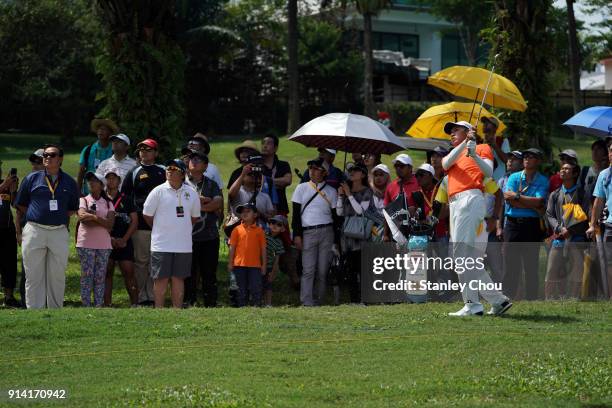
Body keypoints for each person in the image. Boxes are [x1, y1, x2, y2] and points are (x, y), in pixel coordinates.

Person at [440, 121, 511, 316]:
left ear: (467, 131)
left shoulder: (482, 147)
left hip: (469, 199)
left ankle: (474, 304)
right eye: (451, 132)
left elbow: (487, 171)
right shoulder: (455, 153)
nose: (452, 134)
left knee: (462, 256)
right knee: (466, 258)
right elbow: (445, 164)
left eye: (456, 130)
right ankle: (497, 301)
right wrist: (464, 145)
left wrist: (474, 153)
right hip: (455, 204)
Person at [15, 144, 79, 309]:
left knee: (57, 275)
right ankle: (35, 312)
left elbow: (72, 208)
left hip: (58, 232)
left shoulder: (69, 182)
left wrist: (53, 217)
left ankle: (55, 310)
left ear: (60, 159)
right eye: (45, 155)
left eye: (52, 155)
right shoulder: (31, 178)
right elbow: (21, 204)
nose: (47, 157)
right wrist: (37, 214)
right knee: (33, 275)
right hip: (34, 230)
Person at [142, 159, 201, 308]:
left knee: (178, 279)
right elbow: (147, 216)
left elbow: (194, 218)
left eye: (174, 169)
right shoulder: (157, 191)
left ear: (182, 174)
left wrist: (179, 228)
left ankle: (176, 311)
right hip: (161, 244)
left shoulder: (191, 193)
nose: (169, 171)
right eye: (168, 168)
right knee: (160, 279)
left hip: (183, 245)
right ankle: (159, 312)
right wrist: (162, 229)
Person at [121, 138, 166, 306]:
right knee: (141, 261)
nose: (144, 153)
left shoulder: (164, 170)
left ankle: (154, 296)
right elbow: (125, 197)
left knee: (157, 261)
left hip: (162, 225)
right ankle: (141, 297)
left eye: (148, 150)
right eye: (141, 150)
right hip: (140, 225)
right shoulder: (134, 172)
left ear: (156, 153)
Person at [502, 148, 549, 300]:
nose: (527, 159)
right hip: (512, 225)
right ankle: (506, 298)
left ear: (538, 161)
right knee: (510, 265)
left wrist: (517, 198)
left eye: (532, 157)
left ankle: (531, 299)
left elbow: (540, 201)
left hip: (531, 226)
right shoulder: (514, 177)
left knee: (531, 265)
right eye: (525, 156)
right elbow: (508, 198)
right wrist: (531, 204)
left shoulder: (542, 180)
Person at [292, 158, 338, 306]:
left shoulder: (332, 191)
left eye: (316, 168)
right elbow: (296, 215)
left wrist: (336, 240)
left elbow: (336, 218)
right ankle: (306, 301)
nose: (312, 170)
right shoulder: (301, 188)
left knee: (323, 270)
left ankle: (320, 299)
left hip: (327, 231)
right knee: (308, 269)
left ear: (324, 172)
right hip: (308, 232)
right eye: (310, 167)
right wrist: (297, 235)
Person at [184, 151, 223, 307]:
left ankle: (210, 303)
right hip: (186, 237)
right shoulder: (182, 184)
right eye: (191, 159)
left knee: (209, 272)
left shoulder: (211, 184)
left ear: (205, 166)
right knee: (189, 272)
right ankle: (189, 301)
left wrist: (194, 205)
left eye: (198, 159)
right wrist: (204, 202)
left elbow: (218, 204)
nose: (193, 161)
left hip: (209, 235)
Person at [545, 163, 589, 299]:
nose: (563, 170)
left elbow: (587, 215)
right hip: (559, 238)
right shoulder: (555, 194)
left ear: (575, 174)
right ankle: (549, 297)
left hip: (577, 238)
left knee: (577, 267)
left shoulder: (582, 194)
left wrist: (572, 230)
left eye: (567, 169)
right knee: (552, 267)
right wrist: (560, 228)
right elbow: (549, 214)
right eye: (562, 168)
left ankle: (574, 297)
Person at [76, 172, 115, 307]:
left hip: (104, 244)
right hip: (86, 243)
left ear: (101, 184)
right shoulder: (84, 200)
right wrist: (101, 220)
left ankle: (98, 305)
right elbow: (82, 218)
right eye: (89, 181)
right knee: (87, 275)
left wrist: (93, 217)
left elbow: (110, 224)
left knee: (100, 276)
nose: (91, 183)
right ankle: (86, 304)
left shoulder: (109, 202)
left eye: (94, 181)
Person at [336, 162, 373, 303]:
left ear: (363, 174)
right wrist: (340, 196)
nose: (351, 172)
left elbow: (360, 211)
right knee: (350, 269)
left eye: (356, 170)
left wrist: (349, 194)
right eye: (350, 170)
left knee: (362, 268)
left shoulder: (367, 192)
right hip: (348, 236)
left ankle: (365, 299)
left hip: (361, 235)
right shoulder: (346, 191)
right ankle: (353, 299)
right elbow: (339, 212)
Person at [104, 169, 139, 307]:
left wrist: (124, 239)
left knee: (129, 272)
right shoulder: (101, 199)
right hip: (106, 241)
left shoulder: (126, 199)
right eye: (108, 178)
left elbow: (134, 221)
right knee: (107, 272)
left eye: (114, 178)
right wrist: (109, 239)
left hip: (124, 242)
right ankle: (107, 304)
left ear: (119, 181)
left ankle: (135, 304)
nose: (111, 181)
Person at [16, 149, 45, 306]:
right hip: (29, 229)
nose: (35, 164)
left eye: (38, 161)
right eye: (33, 161)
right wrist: (18, 233)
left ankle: (45, 301)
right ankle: (25, 302)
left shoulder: (55, 180)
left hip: (49, 231)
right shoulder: (27, 180)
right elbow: (19, 210)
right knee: (28, 267)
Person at [586, 142, 612, 299]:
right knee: (609, 264)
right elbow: (598, 201)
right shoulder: (604, 175)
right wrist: (592, 224)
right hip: (610, 226)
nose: (611, 154)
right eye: (610, 151)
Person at [227, 203, 267, 307]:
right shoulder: (236, 230)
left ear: (255, 214)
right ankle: (241, 306)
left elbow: (263, 249)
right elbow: (232, 247)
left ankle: (256, 306)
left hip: (255, 266)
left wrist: (264, 265)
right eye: (242, 212)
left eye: (248, 211)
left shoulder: (260, 231)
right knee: (240, 288)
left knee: (255, 287)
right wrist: (230, 263)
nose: (244, 213)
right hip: (239, 265)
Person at [382, 153, 420, 242]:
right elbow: (387, 213)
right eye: (396, 166)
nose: (398, 168)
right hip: (397, 233)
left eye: (402, 166)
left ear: (410, 168)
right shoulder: (391, 186)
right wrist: (385, 234)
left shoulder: (419, 183)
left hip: (416, 232)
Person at [228, 155, 274, 222]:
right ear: (243, 178)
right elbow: (231, 194)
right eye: (250, 174)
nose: (254, 176)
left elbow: (271, 217)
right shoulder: (239, 192)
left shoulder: (265, 197)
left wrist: (259, 214)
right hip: (240, 230)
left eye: (258, 175)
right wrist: (243, 173)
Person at [78, 118, 118, 195]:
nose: (100, 131)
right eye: (99, 129)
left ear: (110, 133)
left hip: (108, 194)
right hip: (88, 193)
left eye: (104, 129)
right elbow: (81, 172)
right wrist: (78, 192)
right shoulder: (88, 150)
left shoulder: (114, 151)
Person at [0, 161, 19, 307]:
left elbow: (14, 204)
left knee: (10, 264)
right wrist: (3, 186)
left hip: (7, 228)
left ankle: (9, 296)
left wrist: (12, 190)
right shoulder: (3, 185)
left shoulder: (5, 184)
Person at [263, 215, 286, 306]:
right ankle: (258, 302)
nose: (274, 225)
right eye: (272, 223)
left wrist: (274, 271)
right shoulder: (262, 234)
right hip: (257, 265)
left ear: (283, 229)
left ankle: (268, 303)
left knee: (268, 286)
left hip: (269, 267)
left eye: (279, 224)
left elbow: (277, 259)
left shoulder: (279, 242)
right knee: (257, 284)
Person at [481, 117, 510, 182]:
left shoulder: (502, 140)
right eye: (484, 123)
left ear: (495, 128)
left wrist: (494, 145)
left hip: (498, 180)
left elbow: (506, 160)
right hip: (482, 180)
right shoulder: (479, 141)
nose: (485, 124)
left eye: (488, 123)